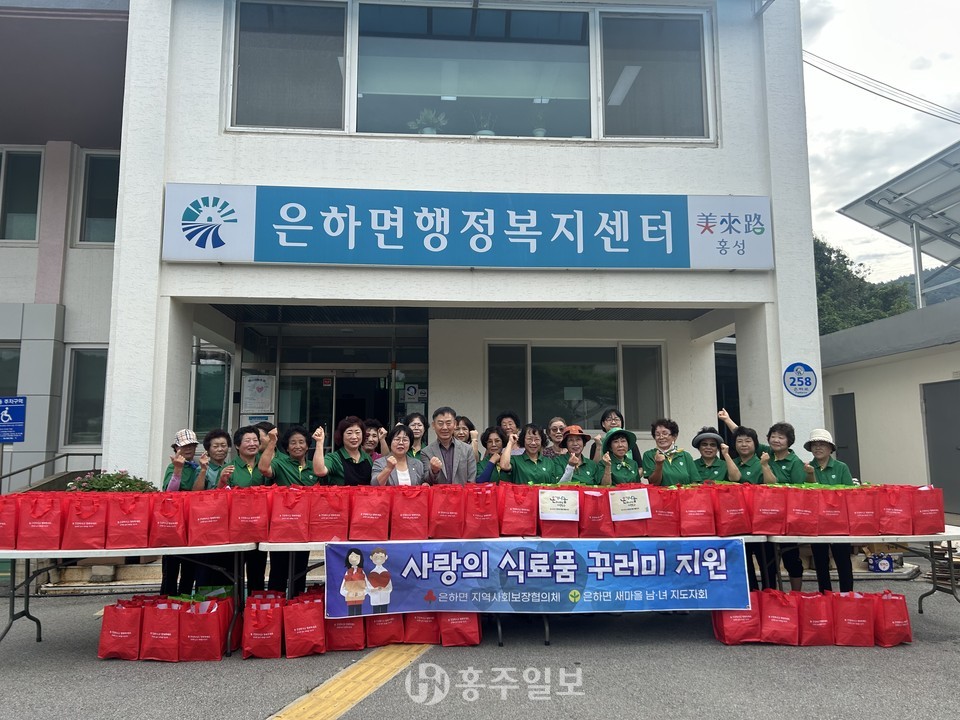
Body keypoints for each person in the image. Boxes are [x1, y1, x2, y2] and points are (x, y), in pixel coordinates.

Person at [719, 410, 808, 590]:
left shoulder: (791, 461)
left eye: (781, 437)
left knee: (788, 558)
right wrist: (727, 420)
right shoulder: (766, 453)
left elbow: (799, 491)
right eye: (773, 437)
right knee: (757, 558)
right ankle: (757, 596)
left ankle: (790, 595)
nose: (776, 440)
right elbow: (743, 437)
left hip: (785, 516)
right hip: (759, 516)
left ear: (789, 441)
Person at [259, 425, 317, 596]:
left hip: (305, 528)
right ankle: (275, 605)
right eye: (293, 443)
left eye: (301, 442)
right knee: (278, 570)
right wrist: (272, 442)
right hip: (282, 526)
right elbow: (264, 468)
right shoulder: (279, 463)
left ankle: (296, 605)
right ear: (287, 447)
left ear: (307, 445)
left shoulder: (314, 467)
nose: (297, 446)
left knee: (300, 569)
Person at [727, 425, 778, 590]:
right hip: (738, 521)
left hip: (762, 520)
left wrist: (765, 466)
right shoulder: (731, 463)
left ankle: (769, 594)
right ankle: (752, 595)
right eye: (739, 441)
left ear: (755, 444)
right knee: (744, 561)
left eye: (748, 441)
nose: (743, 444)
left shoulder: (763, 461)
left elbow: (772, 484)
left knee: (767, 561)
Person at [803, 428, 855, 592]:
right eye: (815, 445)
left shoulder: (841, 467)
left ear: (830, 448)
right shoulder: (806, 467)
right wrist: (810, 474)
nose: (818, 448)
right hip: (816, 521)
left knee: (843, 560)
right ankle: (825, 596)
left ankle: (847, 595)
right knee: (820, 561)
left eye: (822, 444)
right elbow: (806, 494)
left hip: (839, 521)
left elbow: (850, 493)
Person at [160, 428, 205, 596]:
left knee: (189, 568)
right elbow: (169, 493)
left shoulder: (197, 467)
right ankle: (167, 602)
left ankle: (184, 602)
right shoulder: (172, 467)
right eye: (184, 446)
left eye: (192, 445)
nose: (189, 449)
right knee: (171, 568)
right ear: (176, 448)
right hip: (173, 522)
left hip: (192, 522)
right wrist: (177, 470)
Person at [224, 425, 267, 591]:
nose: (252, 444)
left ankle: (255, 604)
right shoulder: (230, 468)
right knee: (235, 572)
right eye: (247, 440)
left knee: (257, 571)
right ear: (237, 445)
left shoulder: (265, 465)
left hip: (260, 527)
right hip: (237, 529)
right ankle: (236, 604)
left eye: (255, 440)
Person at [499, 423, 574, 485]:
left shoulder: (549, 462)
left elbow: (555, 486)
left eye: (537, 439)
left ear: (542, 441)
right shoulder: (515, 460)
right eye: (529, 439)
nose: (533, 443)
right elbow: (504, 466)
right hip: (521, 498)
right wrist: (510, 442)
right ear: (523, 440)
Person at [421, 406, 477, 484]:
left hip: (462, 492)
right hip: (438, 492)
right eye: (440, 423)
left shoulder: (467, 449)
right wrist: (433, 471)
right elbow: (426, 481)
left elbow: (471, 480)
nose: (444, 427)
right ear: (433, 425)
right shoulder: (426, 452)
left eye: (448, 423)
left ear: (455, 424)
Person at [313, 416, 373, 486]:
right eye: (349, 433)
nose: (354, 437)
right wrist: (319, 442)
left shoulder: (367, 458)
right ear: (341, 436)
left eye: (357, 432)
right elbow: (319, 471)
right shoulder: (334, 458)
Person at [641, 418, 699, 486]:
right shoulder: (649, 455)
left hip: (684, 492)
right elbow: (654, 483)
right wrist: (659, 465)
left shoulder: (685, 455)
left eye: (665, 433)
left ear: (674, 436)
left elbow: (695, 482)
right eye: (657, 434)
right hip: (660, 493)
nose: (661, 437)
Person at [341, 548, 367, 616]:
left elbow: (367, 585)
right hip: (350, 599)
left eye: (357, 557)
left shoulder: (362, 572)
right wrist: (347, 593)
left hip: (359, 598)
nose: (354, 559)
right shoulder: (348, 572)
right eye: (351, 556)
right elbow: (342, 588)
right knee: (351, 613)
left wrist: (363, 592)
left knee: (359, 612)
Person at [366, 547, 393, 613]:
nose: (378, 559)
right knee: (375, 613)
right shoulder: (372, 572)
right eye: (376, 557)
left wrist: (385, 589)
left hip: (385, 598)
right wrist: (374, 590)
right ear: (371, 558)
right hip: (374, 599)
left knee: (384, 612)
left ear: (386, 557)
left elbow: (390, 587)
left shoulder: (385, 572)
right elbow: (368, 586)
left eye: (381, 557)